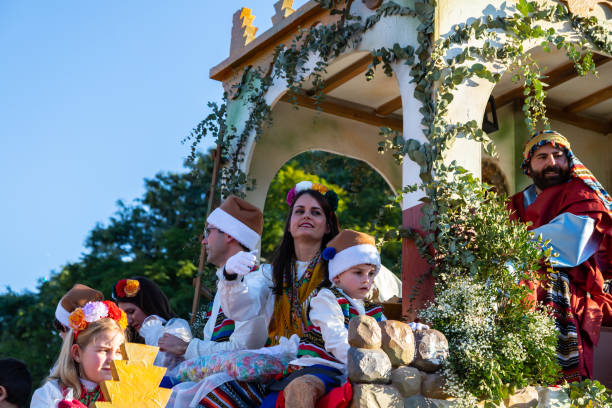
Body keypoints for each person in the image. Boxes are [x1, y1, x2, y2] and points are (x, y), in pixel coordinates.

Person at [219, 181, 401, 345]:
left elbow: (363, 316)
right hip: (279, 360)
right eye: (299, 211)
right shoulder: (270, 273)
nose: (306, 216)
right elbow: (240, 309)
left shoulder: (343, 271)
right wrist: (231, 277)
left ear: (328, 226)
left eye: (315, 212)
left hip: (330, 360)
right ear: (290, 225)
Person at [508, 130, 612, 381]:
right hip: (521, 277)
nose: (551, 162)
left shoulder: (582, 194)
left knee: (534, 284)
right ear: (528, 166)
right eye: (542, 157)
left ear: (570, 161)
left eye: (558, 155)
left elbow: (571, 244)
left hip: (572, 283)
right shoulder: (514, 204)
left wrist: (515, 248)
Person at [260, 230, 386, 408]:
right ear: (337, 276)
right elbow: (335, 337)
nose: (366, 280)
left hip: (353, 371)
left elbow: (386, 334)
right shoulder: (327, 298)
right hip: (320, 367)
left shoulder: (373, 310)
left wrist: (413, 330)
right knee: (302, 388)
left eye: (371, 273)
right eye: (358, 273)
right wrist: (362, 363)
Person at [31, 300, 127, 407]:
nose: (113, 359)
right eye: (104, 350)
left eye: (119, 352)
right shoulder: (50, 395)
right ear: (77, 353)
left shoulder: (128, 395)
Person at [112, 276, 188, 370]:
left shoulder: (177, 326)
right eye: (123, 315)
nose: (128, 321)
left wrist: (151, 326)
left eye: (131, 312)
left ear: (149, 305)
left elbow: (165, 365)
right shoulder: (129, 336)